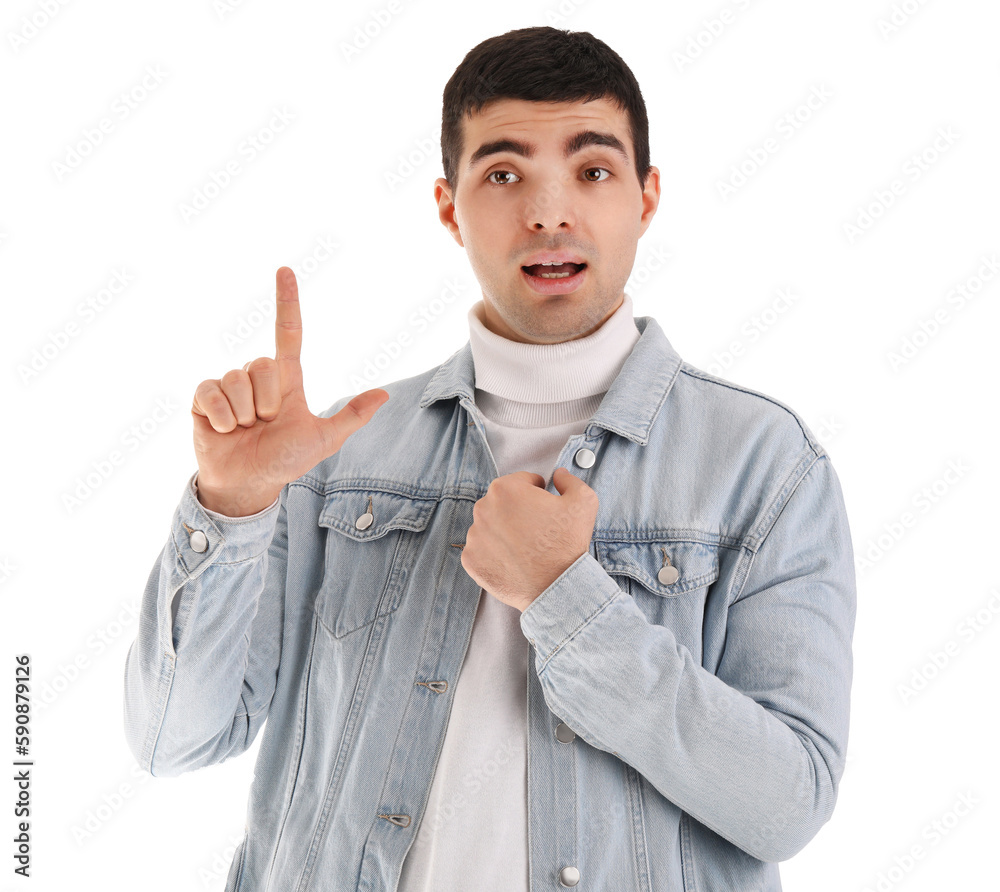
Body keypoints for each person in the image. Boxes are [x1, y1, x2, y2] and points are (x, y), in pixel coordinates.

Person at [124, 26, 856, 892]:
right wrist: (232, 505)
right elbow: (174, 740)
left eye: (593, 171)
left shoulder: (764, 465)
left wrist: (566, 599)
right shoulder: (339, 451)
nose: (549, 212)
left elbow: (786, 804)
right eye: (504, 174)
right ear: (448, 206)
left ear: (647, 198)